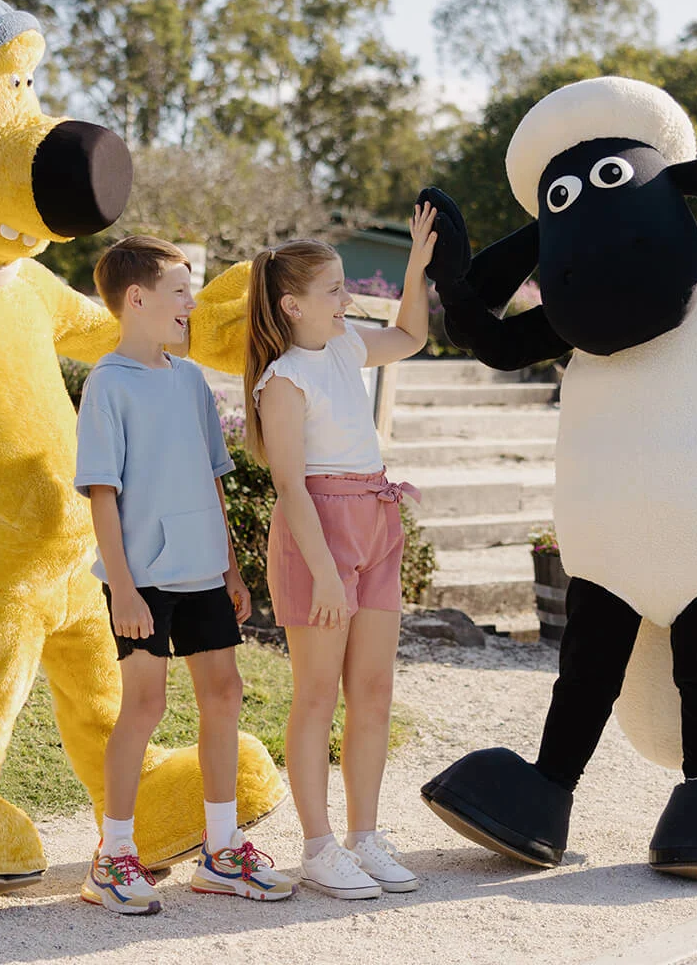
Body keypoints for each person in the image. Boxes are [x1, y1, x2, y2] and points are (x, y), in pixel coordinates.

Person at [75, 236, 295, 916]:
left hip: (202, 573)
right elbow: (101, 493)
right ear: (135, 299)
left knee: (224, 694)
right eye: (179, 289)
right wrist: (125, 587)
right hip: (140, 580)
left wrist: (230, 565)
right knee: (144, 707)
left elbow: (212, 479)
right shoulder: (108, 384)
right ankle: (112, 858)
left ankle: (222, 852)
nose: (190, 302)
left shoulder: (192, 380)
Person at [244, 205, 438, 899]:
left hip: (377, 520)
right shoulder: (284, 380)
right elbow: (290, 486)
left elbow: (412, 333)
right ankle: (320, 846)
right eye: (333, 290)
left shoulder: (350, 346)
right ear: (293, 304)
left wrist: (416, 260)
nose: (346, 297)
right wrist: (325, 574)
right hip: (317, 536)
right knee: (317, 696)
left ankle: (364, 835)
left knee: (375, 692)